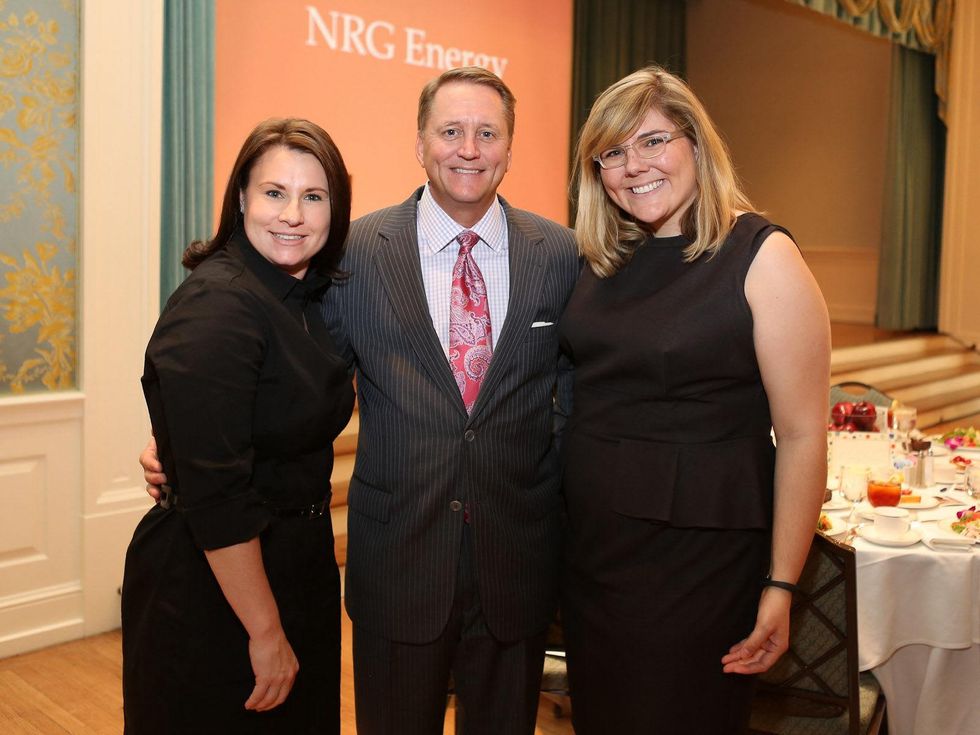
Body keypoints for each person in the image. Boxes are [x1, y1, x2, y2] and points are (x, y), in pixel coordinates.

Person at [142, 67, 579, 735]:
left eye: (487, 132)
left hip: (514, 565)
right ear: (420, 141)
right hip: (399, 565)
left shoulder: (559, 253)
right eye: (451, 130)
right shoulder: (352, 256)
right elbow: (294, 370)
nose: (469, 148)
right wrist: (176, 439)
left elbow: (571, 388)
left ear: (509, 147)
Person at [558, 66, 830, 734]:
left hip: (697, 567)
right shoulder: (602, 260)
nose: (633, 166)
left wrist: (782, 583)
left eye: (652, 141)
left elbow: (802, 436)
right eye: (613, 152)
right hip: (595, 556)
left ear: (696, 145)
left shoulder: (762, 256)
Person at [124, 118, 354, 734]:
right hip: (216, 585)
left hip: (295, 563)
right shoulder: (219, 305)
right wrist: (265, 630)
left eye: (313, 196)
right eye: (274, 193)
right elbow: (218, 495)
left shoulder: (306, 296)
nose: (293, 215)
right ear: (242, 200)